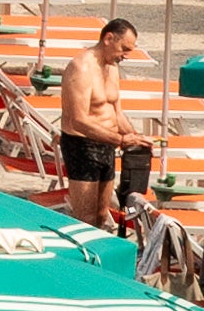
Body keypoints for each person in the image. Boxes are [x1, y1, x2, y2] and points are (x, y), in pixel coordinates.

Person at [54, 20, 154, 217]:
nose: (125, 55)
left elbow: (116, 112)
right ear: (108, 38)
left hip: (107, 144)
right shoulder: (81, 67)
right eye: (124, 48)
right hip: (82, 145)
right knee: (86, 217)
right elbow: (78, 120)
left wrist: (136, 137)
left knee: (102, 214)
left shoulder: (112, 66)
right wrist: (121, 140)